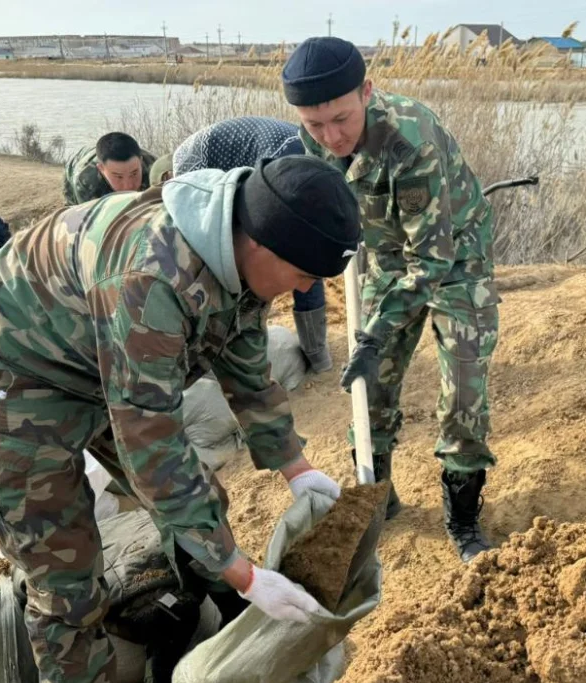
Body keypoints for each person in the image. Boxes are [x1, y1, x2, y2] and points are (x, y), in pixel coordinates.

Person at [0, 155, 360, 683]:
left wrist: (297, 468)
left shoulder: (240, 245)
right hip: (17, 363)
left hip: (98, 349)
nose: (300, 288)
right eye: (304, 275)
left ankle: (204, 622)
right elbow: (152, 445)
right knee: (64, 571)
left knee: (201, 504)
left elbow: (247, 369)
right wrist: (244, 574)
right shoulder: (154, 279)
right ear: (261, 245)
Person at [282, 37, 500, 563]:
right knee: (370, 385)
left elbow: (432, 261)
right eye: (315, 125)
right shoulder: (310, 141)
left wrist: (378, 331)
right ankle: (378, 496)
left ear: (367, 92)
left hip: (455, 259)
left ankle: (463, 516)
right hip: (387, 258)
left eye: (341, 119)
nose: (330, 136)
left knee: (464, 388)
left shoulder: (410, 140)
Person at [150, 116, 333, 373]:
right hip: (210, 162)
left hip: (249, 157)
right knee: (228, 266)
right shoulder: (284, 176)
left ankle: (314, 350)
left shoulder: (316, 172)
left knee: (302, 267)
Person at [62, 131, 157, 205]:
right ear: (101, 169)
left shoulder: (154, 167)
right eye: (119, 177)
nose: (128, 186)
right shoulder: (84, 179)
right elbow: (91, 220)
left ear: (141, 162)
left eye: (134, 173)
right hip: (75, 165)